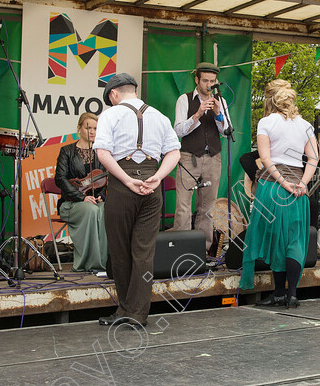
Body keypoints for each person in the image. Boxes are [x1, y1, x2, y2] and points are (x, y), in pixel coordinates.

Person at [93, 73, 181, 327]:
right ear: (133, 90)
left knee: (120, 250)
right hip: (153, 183)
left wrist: (127, 180)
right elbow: (174, 151)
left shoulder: (110, 114)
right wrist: (158, 178)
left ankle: (125, 309)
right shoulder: (159, 116)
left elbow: (103, 153)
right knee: (144, 252)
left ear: (113, 94)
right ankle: (136, 314)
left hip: (123, 182)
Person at [239, 80, 318, 309]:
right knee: (294, 241)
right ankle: (291, 295)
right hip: (298, 189)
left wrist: (282, 182)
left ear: (269, 100)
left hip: (272, 187)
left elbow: (265, 159)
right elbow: (313, 159)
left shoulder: (266, 122)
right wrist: (302, 183)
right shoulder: (305, 125)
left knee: (276, 240)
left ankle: (278, 293)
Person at [173, 62, 231, 253]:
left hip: (213, 157)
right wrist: (197, 114)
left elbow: (227, 131)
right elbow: (179, 131)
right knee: (183, 206)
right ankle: (180, 250)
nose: (208, 84)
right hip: (189, 157)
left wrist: (217, 114)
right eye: (205, 80)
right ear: (197, 79)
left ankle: (201, 250)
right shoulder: (184, 99)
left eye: (212, 81)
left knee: (207, 207)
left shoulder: (220, 101)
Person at [54, 112, 108, 272]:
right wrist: (82, 197)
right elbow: (60, 179)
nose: (92, 132)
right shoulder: (67, 151)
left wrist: (100, 196)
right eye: (88, 128)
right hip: (71, 203)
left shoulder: (100, 152)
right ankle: (89, 263)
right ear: (79, 129)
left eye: (95, 129)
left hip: (93, 203)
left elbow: (104, 182)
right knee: (90, 210)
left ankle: (103, 263)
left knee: (106, 209)